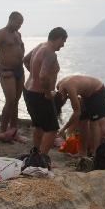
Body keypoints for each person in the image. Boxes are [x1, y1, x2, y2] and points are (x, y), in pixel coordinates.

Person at [23, 27, 68, 160]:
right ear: (58, 38)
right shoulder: (50, 53)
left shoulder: (40, 46)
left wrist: (33, 76)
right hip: (40, 95)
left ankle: (35, 153)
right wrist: (48, 92)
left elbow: (25, 60)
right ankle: (41, 159)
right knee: (52, 129)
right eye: (63, 41)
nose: (63, 45)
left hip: (28, 91)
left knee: (39, 125)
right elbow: (43, 76)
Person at [54, 74, 105, 160]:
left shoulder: (70, 89)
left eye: (64, 101)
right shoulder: (59, 86)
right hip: (85, 95)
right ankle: (82, 152)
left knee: (93, 123)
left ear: (62, 97)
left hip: (97, 90)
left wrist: (63, 129)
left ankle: (95, 153)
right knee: (82, 122)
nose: (66, 101)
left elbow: (77, 113)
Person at [0, 11, 26, 139]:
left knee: (16, 101)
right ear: (11, 19)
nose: (19, 26)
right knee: (10, 100)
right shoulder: (1, 34)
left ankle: (13, 130)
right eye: (18, 23)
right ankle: (3, 131)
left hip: (19, 69)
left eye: (21, 24)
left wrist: (21, 55)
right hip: (7, 70)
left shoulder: (18, 34)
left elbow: (21, 46)